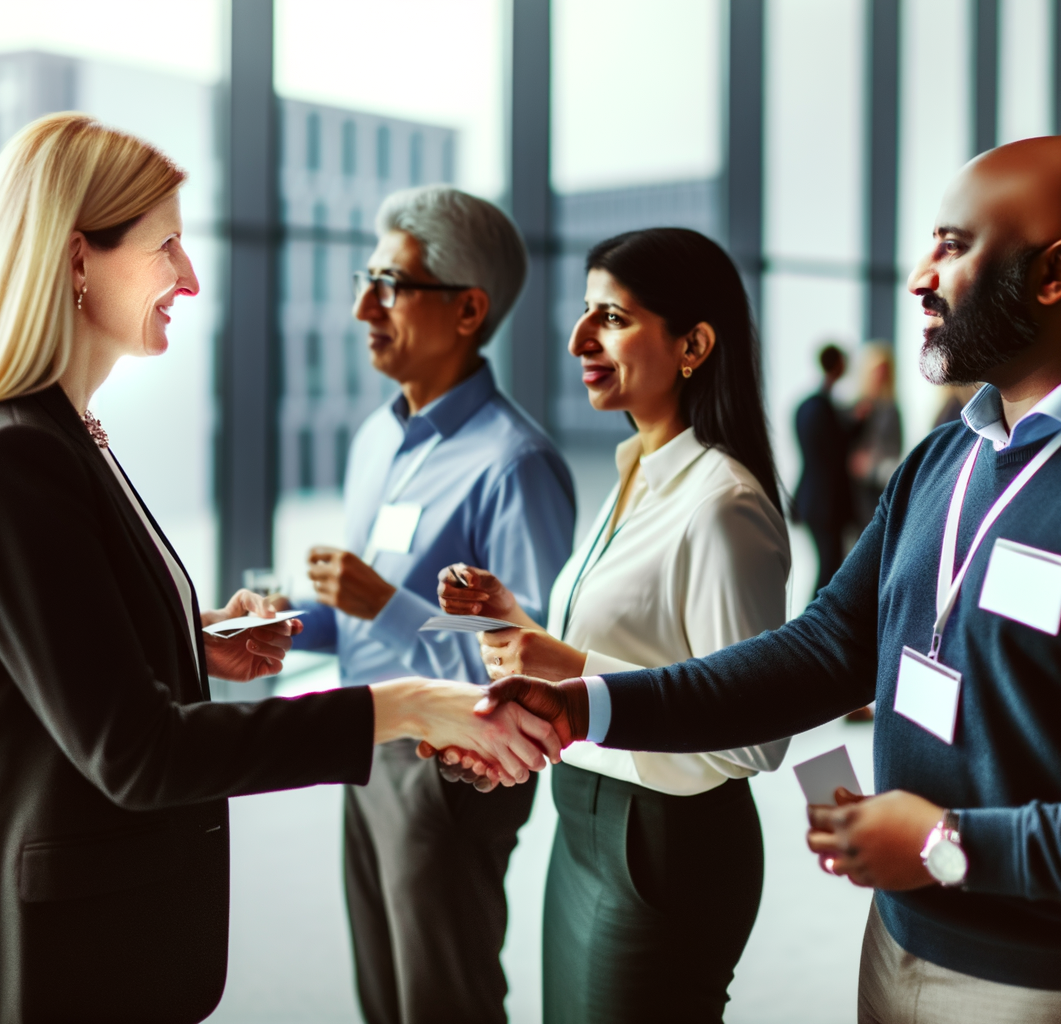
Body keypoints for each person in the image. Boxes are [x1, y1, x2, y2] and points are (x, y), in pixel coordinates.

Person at [466, 135, 1061, 1024]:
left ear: (1058, 270)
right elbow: (826, 647)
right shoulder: (946, 456)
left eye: (953, 245)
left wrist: (952, 845)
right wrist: (594, 704)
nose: (919, 275)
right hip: (900, 941)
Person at [0, 115, 557, 1024]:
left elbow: (73, 655)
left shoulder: (65, 438)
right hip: (41, 956)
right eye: (168, 245)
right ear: (78, 258)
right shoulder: (17, 455)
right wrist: (398, 706)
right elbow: (133, 749)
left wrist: (195, 642)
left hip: (405, 788)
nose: (191, 278)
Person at [433, 228, 791, 1023]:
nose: (577, 340)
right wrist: (516, 621)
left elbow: (757, 738)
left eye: (612, 318)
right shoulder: (636, 472)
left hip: (665, 847)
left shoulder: (723, 505)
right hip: (587, 824)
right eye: (584, 313)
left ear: (693, 343)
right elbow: (635, 650)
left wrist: (563, 660)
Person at [274, 184, 576, 1024]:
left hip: (450, 769)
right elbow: (364, 618)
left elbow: (530, 660)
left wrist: (386, 603)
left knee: (444, 999)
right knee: (384, 995)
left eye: (391, 284)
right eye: (368, 279)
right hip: (366, 737)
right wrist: (279, 624)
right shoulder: (378, 437)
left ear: (469, 308)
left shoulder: (514, 466)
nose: (362, 305)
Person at [794, 343, 859, 593]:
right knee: (829, 568)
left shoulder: (805, 405)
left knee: (827, 565)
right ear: (838, 365)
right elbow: (836, 449)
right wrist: (858, 425)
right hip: (826, 503)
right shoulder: (823, 408)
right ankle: (814, 627)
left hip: (810, 498)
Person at [849, 343, 903, 531]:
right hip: (854, 481)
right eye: (876, 370)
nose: (880, 376)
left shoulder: (891, 408)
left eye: (884, 371)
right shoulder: (857, 406)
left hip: (878, 478)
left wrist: (871, 462)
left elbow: (895, 446)